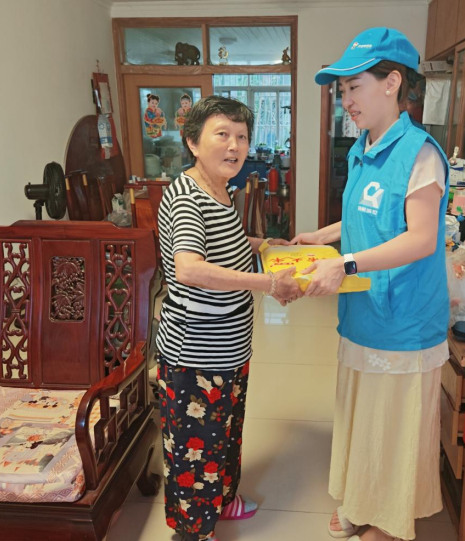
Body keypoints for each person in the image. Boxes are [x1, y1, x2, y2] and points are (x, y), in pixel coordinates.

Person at [291, 28, 450, 541]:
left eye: (354, 87)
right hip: (364, 310)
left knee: (393, 426)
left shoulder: (420, 154)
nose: (347, 100)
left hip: (404, 318)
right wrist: (323, 236)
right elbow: (369, 215)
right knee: (363, 417)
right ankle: (361, 500)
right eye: (343, 91)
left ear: (392, 83)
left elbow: (420, 238)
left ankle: (388, 521)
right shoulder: (364, 147)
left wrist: (346, 264)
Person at [156, 95, 302, 541]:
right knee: (195, 447)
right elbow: (190, 268)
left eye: (241, 136)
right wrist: (268, 283)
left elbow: (226, 244)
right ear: (192, 142)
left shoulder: (219, 189)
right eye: (222, 134)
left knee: (223, 433)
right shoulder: (187, 198)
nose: (234, 145)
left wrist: (266, 245)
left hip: (228, 346)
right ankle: (193, 531)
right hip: (196, 354)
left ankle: (222, 500)